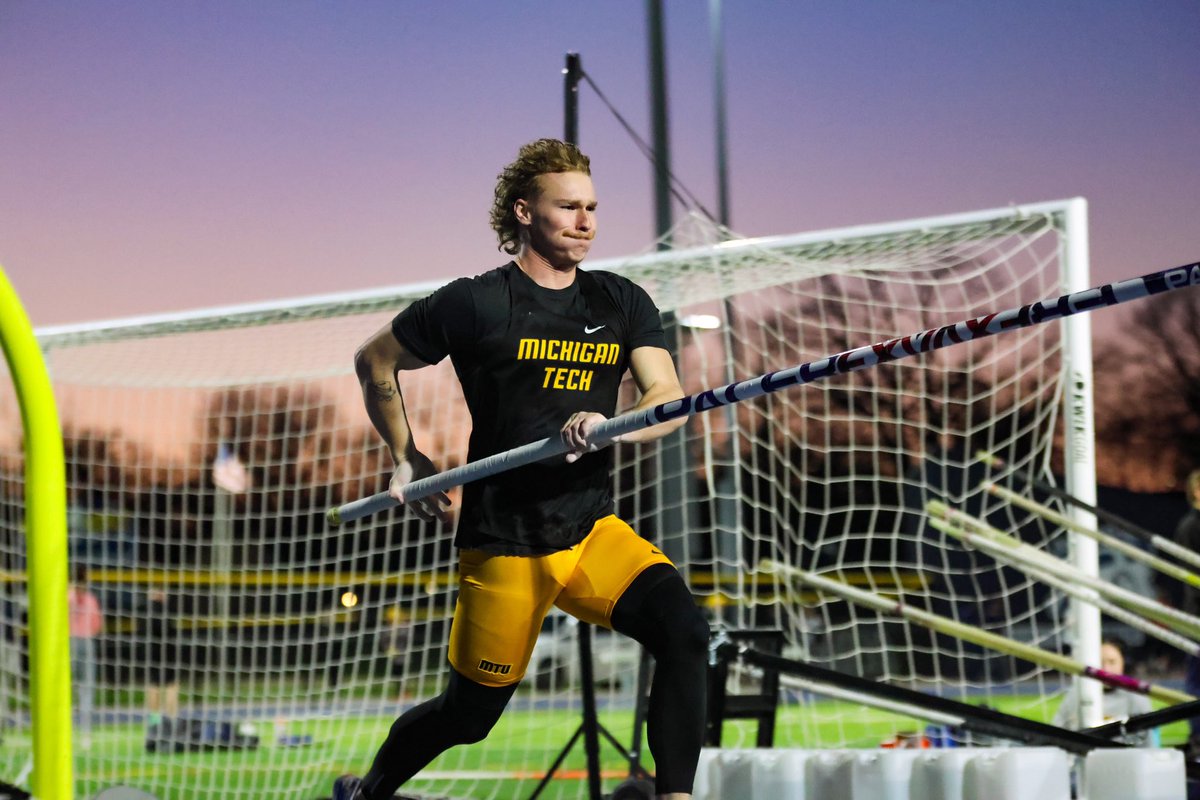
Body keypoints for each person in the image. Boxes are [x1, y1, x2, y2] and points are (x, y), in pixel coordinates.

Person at [336, 138, 709, 800]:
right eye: (568, 206)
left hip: (591, 533)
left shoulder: (621, 302)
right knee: (468, 717)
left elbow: (668, 400)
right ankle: (369, 793)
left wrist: (613, 422)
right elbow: (375, 360)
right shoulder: (475, 304)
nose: (586, 220)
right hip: (505, 544)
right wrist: (406, 454)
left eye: (593, 206)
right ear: (524, 212)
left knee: (683, 631)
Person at [1053, 639, 1156, 746]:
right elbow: (1056, 732)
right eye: (1100, 662)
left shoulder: (1137, 697)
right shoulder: (1076, 694)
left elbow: (1148, 743)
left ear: (1123, 663)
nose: (1106, 669)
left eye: (1112, 662)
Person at [1175, 469, 1200, 751]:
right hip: (1197, 617)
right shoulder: (1190, 526)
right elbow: (1191, 578)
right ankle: (1198, 736)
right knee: (1197, 680)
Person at [68, 563, 104, 749]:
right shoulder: (90, 599)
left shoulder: (67, 597)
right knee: (86, 690)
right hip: (86, 642)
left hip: (69, 643)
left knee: (67, 690)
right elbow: (98, 625)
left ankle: (65, 731)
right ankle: (86, 735)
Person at [141, 588, 180, 751]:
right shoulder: (164, 610)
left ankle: (155, 724)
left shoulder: (147, 611)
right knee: (169, 685)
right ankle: (169, 723)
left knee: (155, 685)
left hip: (153, 652)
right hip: (165, 651)